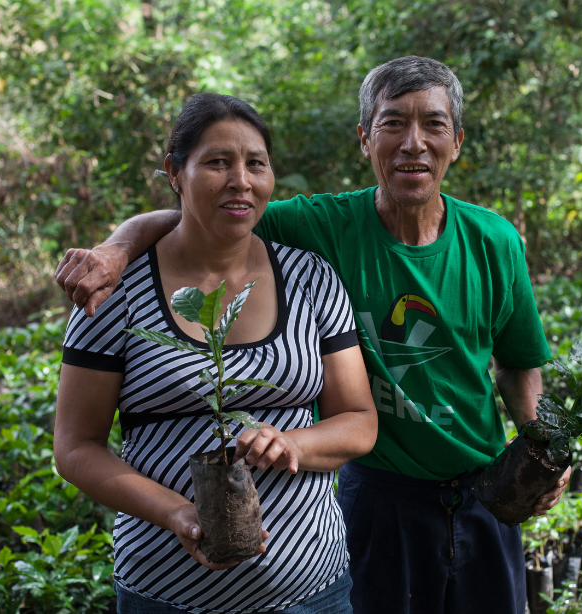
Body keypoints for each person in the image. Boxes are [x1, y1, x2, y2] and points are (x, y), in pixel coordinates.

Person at [56, 57, 571, 614]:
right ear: (364, 139)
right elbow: (207, 216)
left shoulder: (494, 241)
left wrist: (542, 446)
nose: (413, 143)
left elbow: (518, 365)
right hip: (378, 496)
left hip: (484, 489)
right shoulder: (319, 227)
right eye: (393, 123)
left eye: (434, 125)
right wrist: (117, 248)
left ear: (458, 141)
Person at [53, 92, 378, 614]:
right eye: (217, 163)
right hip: (166, 593)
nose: (241, 181)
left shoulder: (311, 279)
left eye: (256, 163)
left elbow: (359, 420)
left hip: (313, 592)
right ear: (174, 172)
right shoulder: (115, 296)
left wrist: (291, 443)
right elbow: (75, 447)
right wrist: (175, 513)